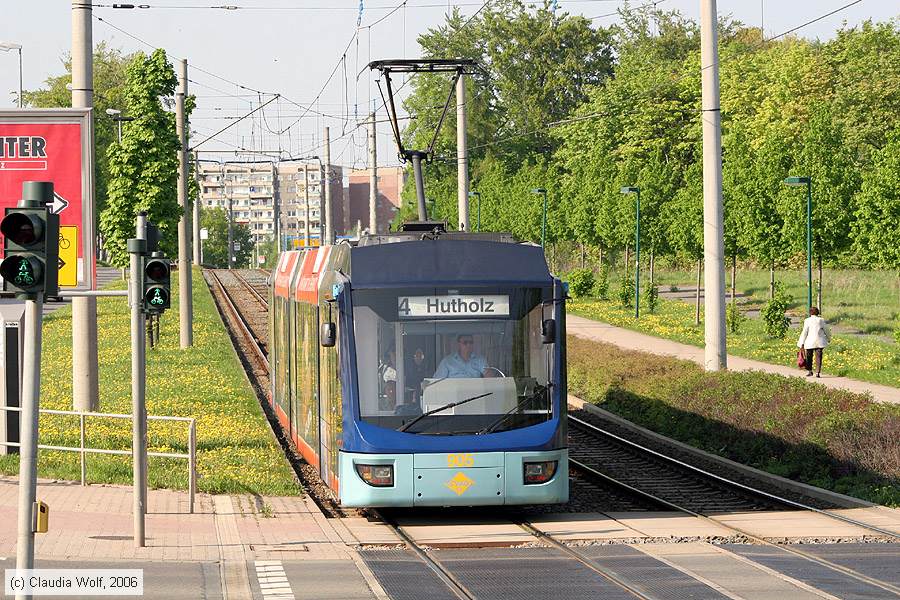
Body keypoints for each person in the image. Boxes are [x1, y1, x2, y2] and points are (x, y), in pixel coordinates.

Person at [797, 307, 831, 378]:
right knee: (819, 357)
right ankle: (817, 372)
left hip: (810, 342)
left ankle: (810, 371)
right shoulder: (821, 320)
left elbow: (804, 332)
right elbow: (826, 330)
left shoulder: (807, 320)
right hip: (819, 342)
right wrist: (828, 338)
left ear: (810, 313)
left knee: (809, 356)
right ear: (818, 312)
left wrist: (801, 342)